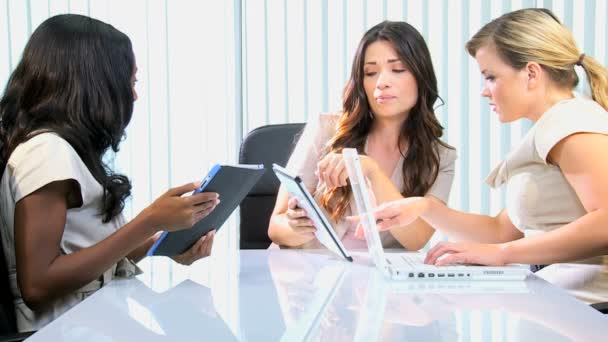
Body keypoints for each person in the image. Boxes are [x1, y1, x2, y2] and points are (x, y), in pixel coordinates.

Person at [357, 8, 608, 304]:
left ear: (531, 73)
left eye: (490, 77)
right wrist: (424, 207)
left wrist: (503, 256)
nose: (483, 91)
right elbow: (500, 230)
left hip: (586, 310)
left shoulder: (570, 123)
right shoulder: (552, 127)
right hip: (560, 300)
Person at [0, 14, 220, 331]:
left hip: (94, 321)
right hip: (64, 331)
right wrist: (150, 219)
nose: (133, 95)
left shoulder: (62, 149)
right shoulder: (46, 152)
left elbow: (85, 253)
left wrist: (161, 240)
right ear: (95, 84)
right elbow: (38, 285)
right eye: (129, 82)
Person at [268, 21, 457, 250]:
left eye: (397, 70)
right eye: (370, 73)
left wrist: (371, 172)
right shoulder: (327, 129)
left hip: (376, 282)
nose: (382, 83)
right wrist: (295, 228)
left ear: (421, 76)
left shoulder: (440, 157)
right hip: (307, 275)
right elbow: (276, 227)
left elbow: (416, 239)